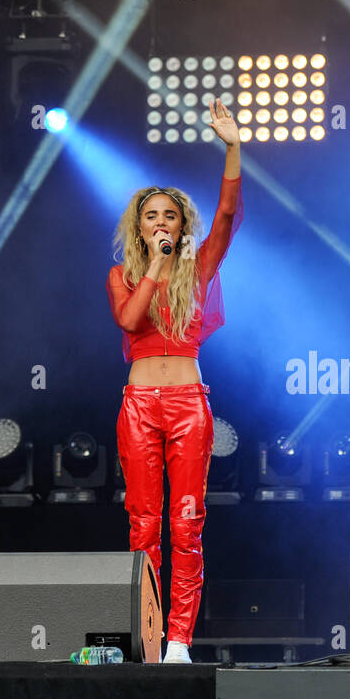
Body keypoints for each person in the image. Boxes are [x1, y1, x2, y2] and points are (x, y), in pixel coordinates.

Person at [107, 98, 242, 664]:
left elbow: (230, 213)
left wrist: (233, 146)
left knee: (186, 524)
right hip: (139, 404)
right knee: (144, 526)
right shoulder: (123, 274)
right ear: (139, 227)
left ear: (182, 223)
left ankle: (181, 639)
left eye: (169, 215)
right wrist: (156, 269)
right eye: (151, 216)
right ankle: (149, 639)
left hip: (189, 404)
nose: (161, 223)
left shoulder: (201, 267)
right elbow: (130, 321)